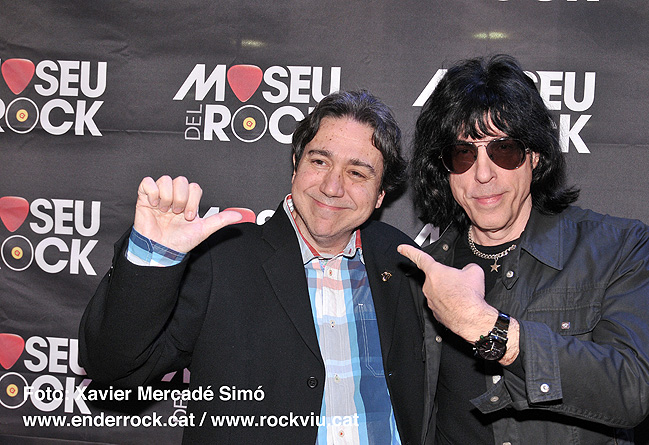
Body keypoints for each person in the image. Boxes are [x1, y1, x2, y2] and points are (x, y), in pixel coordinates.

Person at [79, 90, 429, 444]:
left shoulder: (402, 260)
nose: (332, 187)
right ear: (296, 163)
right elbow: (115, 369)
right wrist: (153, 257)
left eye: (356, 172)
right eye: (320, 162)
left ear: (380, 194)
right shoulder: (220, 259)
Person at [399, 55, 649, 444]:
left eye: (504, 150)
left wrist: (492, 330)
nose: (483, 173)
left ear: (534, 157)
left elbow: (632, 391)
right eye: (464, 153)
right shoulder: (424, 270)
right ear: (445, 169)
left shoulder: (617, 248)